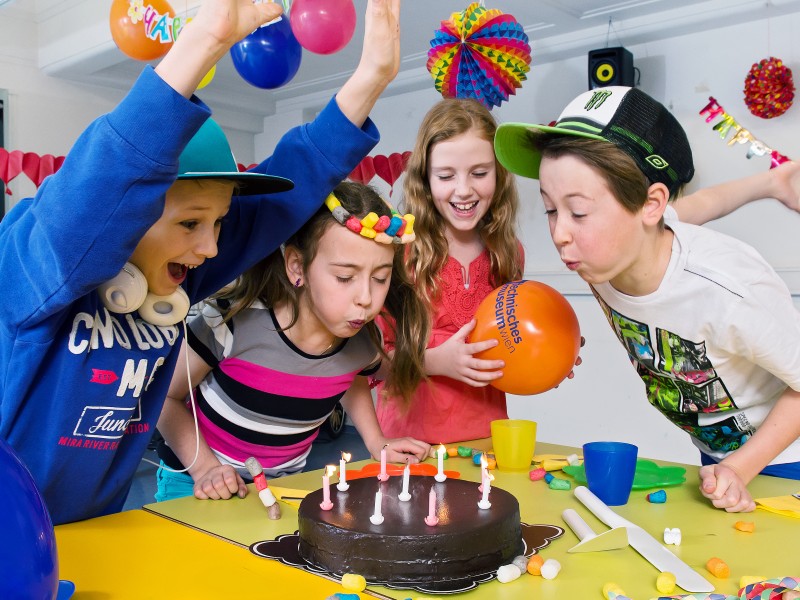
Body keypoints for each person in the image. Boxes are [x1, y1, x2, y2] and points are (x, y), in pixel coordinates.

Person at [0, 0, 402, 525]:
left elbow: (291, 187)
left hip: (96, 527)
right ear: (131, 211)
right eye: (191, 223)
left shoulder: (174, 279)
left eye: (218, 223)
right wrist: (203, 42)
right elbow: (94, 189)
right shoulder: (34, 264)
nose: (212, 248)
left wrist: (372, 77)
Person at [494, 85, 800, 512]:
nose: (560, 232)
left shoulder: (730, 290)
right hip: (717, 454)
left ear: (650, 204)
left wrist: (741, 467)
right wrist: (768, 183)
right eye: (551, 209)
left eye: (578, 212)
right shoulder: (604, 254)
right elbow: (700, 205)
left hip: (788, 459)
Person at [154, 181, 431, 501]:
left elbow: (348, 374)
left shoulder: (359, 340)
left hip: (278, 489)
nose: (366, 298)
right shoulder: (233, 323)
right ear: (297, 267)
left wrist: (376, 441)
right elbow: (164, 397)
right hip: (193, 481)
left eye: (380, 277)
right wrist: (206, 469)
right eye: (345, 277)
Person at [375, 98, 527, 444]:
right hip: (409, 444)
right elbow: (371, 359)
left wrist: (546, 352)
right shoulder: (399, 252)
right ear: (425, 181)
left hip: (486, 440)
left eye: (479, 173)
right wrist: (434, 361)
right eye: (446, 175)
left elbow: (508, 347)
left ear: (499, 174)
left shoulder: (509, 254)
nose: (463, 190)